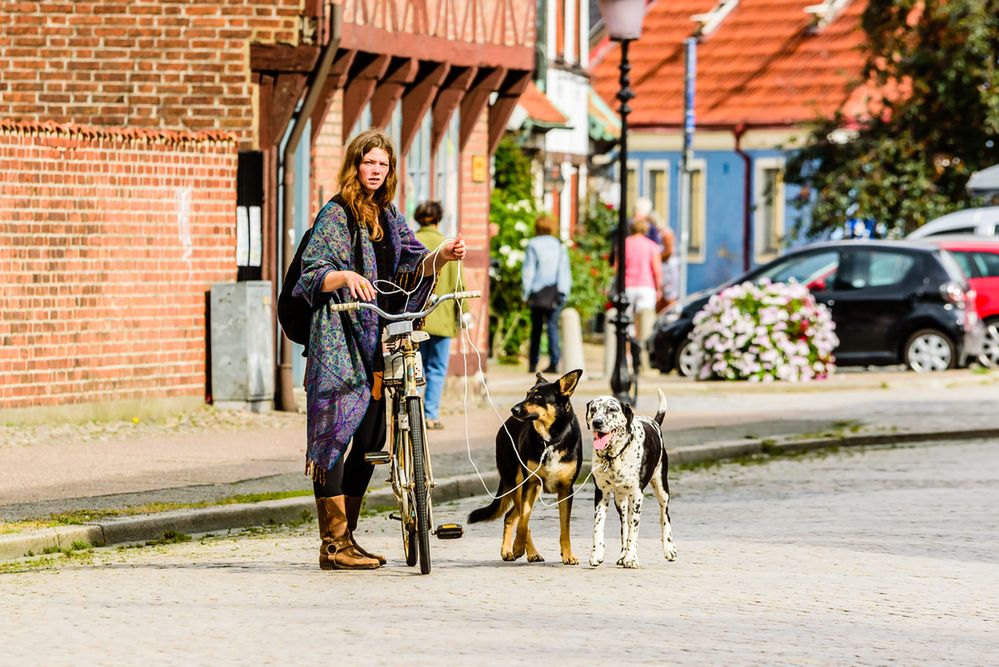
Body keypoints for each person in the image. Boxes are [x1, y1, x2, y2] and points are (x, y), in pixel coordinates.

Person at [294, 129, 465, 571]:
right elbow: (312, 274)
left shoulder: (387, 216)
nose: (376, 171)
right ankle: (332, 544)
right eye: (369, 162)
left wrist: (442, 255)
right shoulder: (336, 214)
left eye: (383, 165)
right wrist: (343, 276)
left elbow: (414, 261)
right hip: (337, 342)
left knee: (371, 437)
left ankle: (346, 537)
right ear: (356, 165)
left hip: (376, 339)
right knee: (333, 438)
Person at [413, 201, 466, 431]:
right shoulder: (447, 244)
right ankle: (431, 415)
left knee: (416, 368)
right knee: (436, 369)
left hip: (414, 317)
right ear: (438, 219)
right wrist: (464, 313)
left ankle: (413, 413)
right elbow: (459, 285)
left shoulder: (411, 241)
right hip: (441, 317)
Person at [522, 213, 571, 374]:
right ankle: (554, 362)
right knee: (552, 327)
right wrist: (564, 292)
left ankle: (533, 363)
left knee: (536, 329)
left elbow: (529, 271)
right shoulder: (558, 245)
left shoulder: (533, 244)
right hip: (554, 291)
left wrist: (525, 293)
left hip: (537, 292)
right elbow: (564, 270)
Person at [623, 217, 662, 321]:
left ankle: (627, 337)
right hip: (646, 286)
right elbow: (657, 270)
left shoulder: (624, 244)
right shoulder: (652, 246)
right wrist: (659, 289)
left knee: (626, 319)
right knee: (645, 320)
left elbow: (618, 267)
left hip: (628, 285)